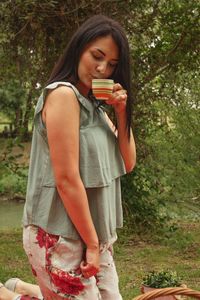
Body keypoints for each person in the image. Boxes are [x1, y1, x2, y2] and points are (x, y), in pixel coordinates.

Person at [0, 14, 136, 300]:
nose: (102, 69)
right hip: (59, 235)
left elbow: (128, 161)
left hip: (92, 237)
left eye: (111, 64)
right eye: (96, 56)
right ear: (79, 49)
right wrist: (92, 244)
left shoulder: (95, 107)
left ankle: (21, 293)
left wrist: (121, 111)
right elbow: (66, 179)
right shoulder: (63, 95)